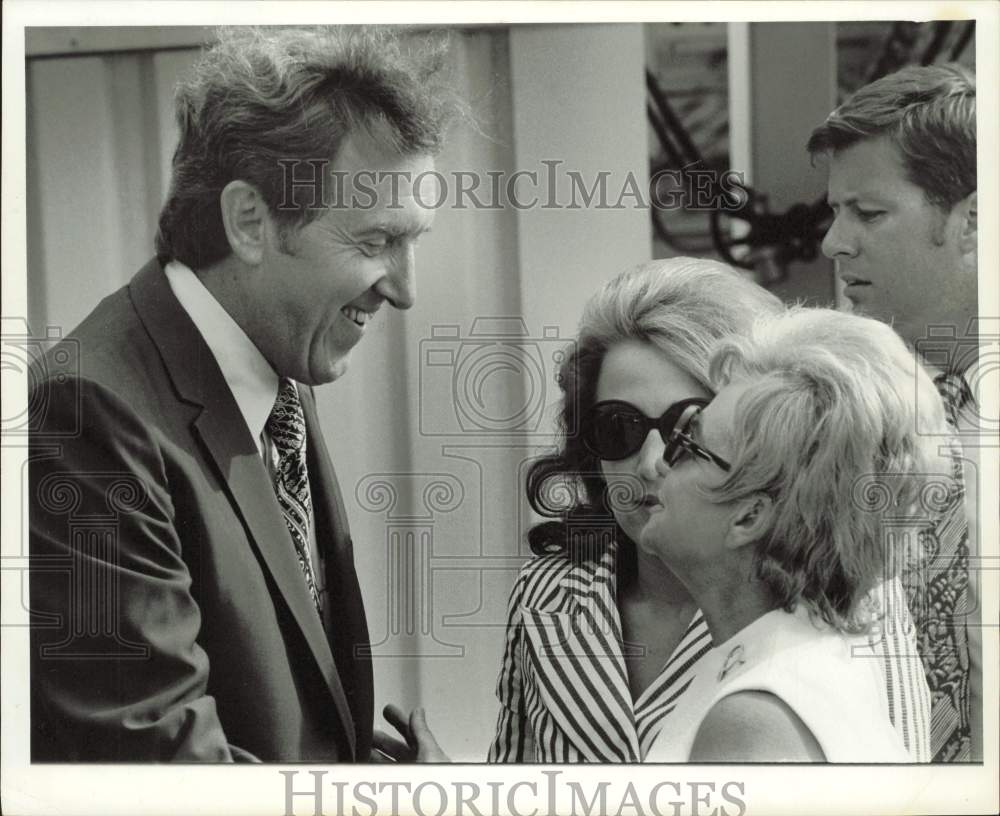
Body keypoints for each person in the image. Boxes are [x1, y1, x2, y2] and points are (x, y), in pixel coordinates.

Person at [28, 26, 457, 762]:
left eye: (414, 240)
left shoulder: (276, 358)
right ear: (250, 221)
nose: (405, 289)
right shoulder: (84, 415)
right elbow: (156, 764)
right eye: (375, 241)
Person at [481, 258, 929, 762]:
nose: (652, 462)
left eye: (688, 433)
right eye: (618, 428)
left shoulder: (851, 608)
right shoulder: (548, 590)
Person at [643, 307, 953, 762]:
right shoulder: (804, 668)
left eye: (689, 444)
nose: (659, 463)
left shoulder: (755, 719)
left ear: (748, 517)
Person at [807, 63, 981, 762]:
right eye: (835, 212)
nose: (833, 243)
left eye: (869, 214)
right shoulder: (823, 414)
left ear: (971, 219)